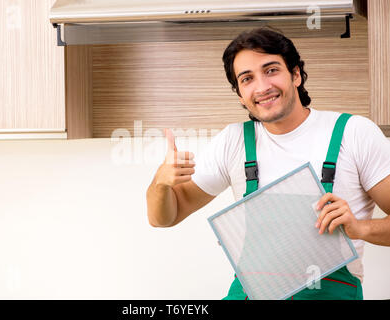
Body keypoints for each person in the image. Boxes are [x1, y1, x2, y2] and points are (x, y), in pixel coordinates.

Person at [146, 27, 390, 300]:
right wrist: (160, 184)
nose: (262, 87)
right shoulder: (234, 141)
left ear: (296, 74)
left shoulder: (353, 133)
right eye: (247, 78)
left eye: (271, 70)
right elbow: (163, 218)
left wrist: (360, 228)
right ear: (239, 94)